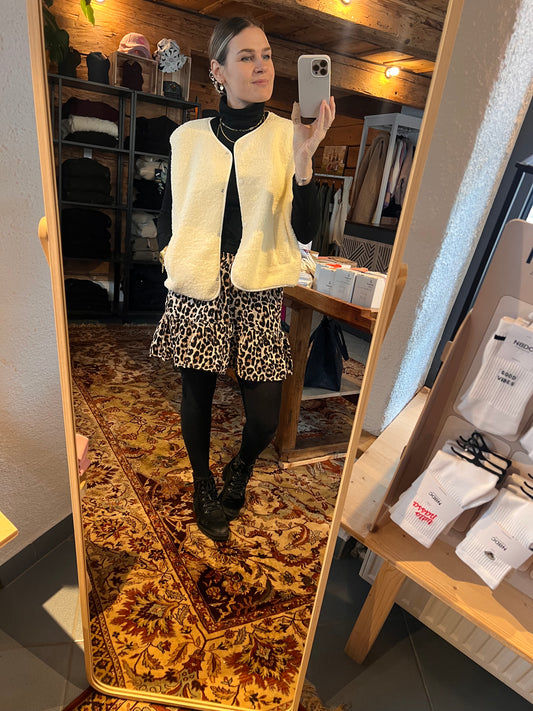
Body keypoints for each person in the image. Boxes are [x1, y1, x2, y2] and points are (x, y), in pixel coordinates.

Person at [150, 16, 335, 541]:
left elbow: (305, 231)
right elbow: (169, 211)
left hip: (258, 282)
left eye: (267, 55)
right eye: (247, 57)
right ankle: (202, 484)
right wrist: (169, 256)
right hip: (199, 278)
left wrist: (304, 159)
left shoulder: (287, 135)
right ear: (218, 70)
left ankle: (241, 467)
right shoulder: (186, 138)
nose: (262, 66)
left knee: (264, 416)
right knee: (197, 395)